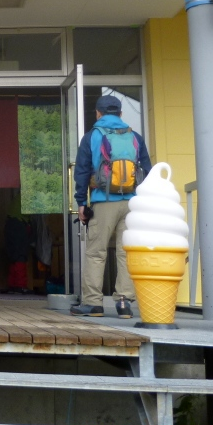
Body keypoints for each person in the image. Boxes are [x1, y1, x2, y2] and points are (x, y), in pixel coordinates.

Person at [71, 94, 153, 318]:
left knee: (96, 253)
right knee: (125, 253)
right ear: (121, 114)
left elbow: (82, 172)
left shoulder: (92, 137)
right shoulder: (134, 137)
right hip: (132, 203)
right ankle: (124, 303)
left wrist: (81, 202)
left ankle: (93, 303)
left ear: (98, 113)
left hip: (103, 201)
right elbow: (147, 170)